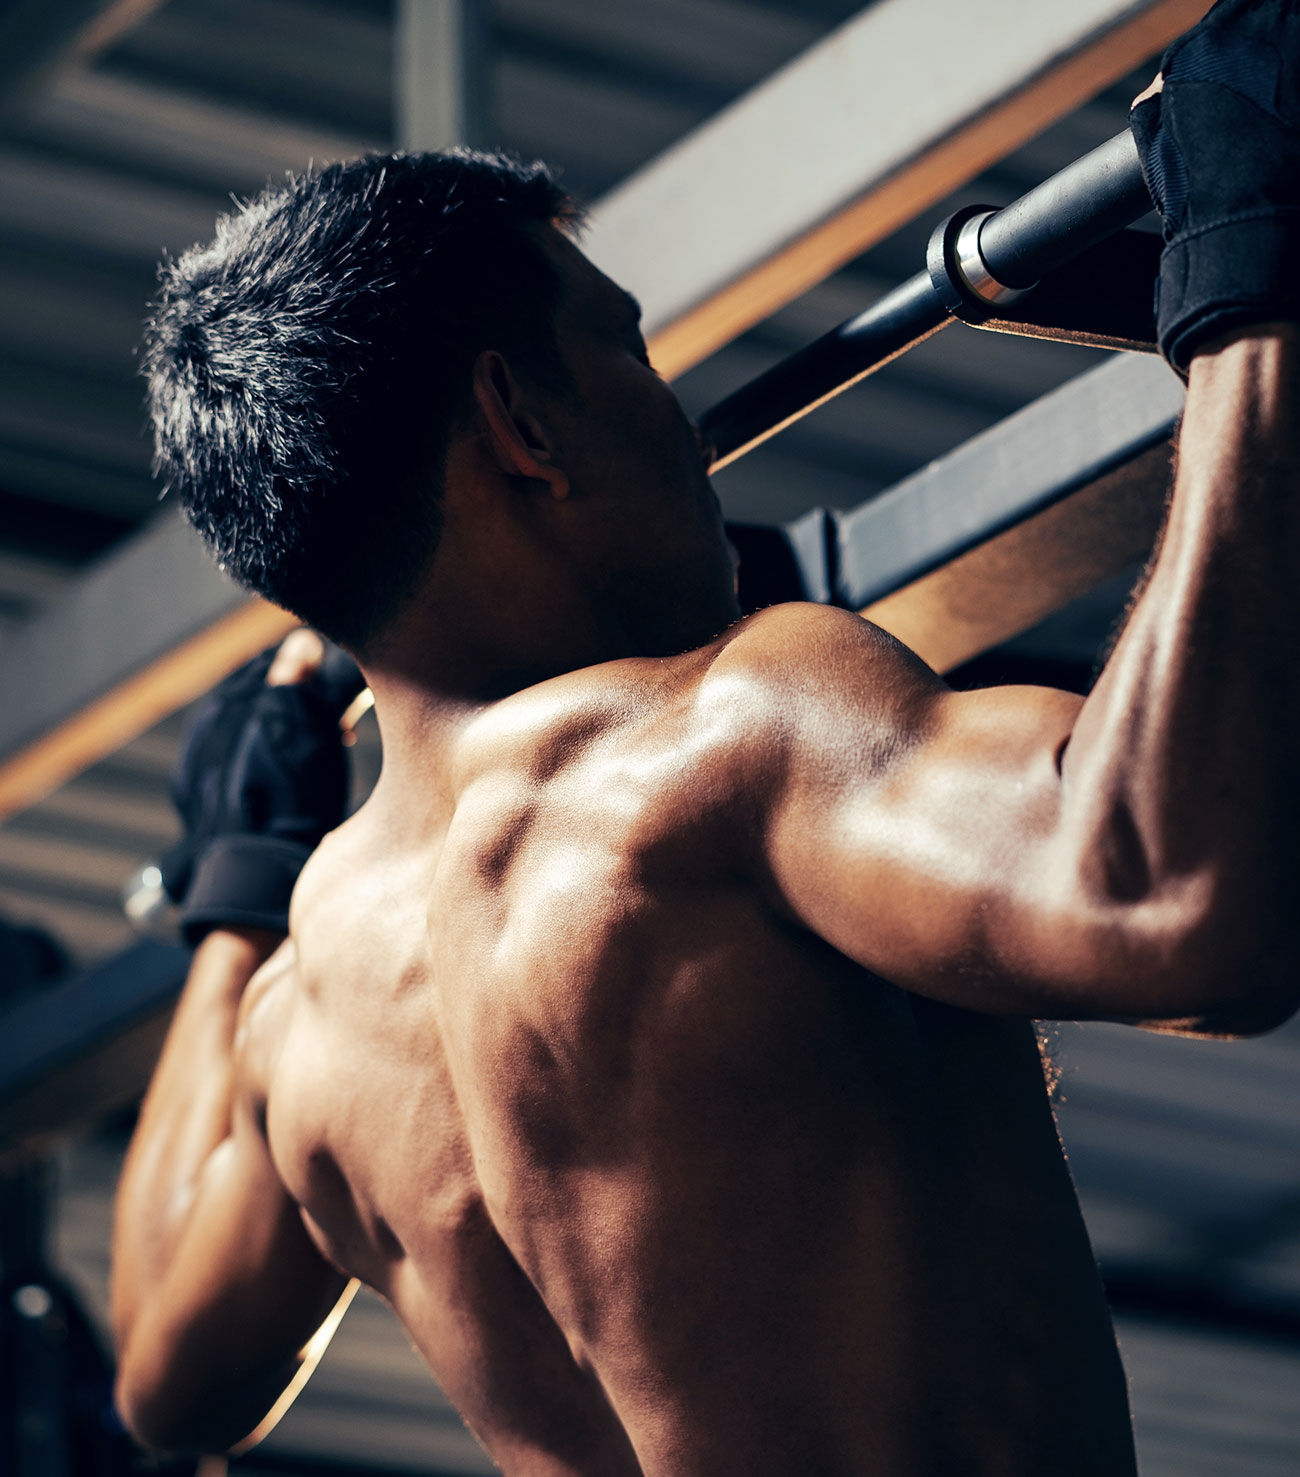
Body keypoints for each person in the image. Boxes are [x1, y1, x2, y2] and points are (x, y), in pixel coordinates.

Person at [110, 2, 1300, 1471]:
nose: (676, 419)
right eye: (626, 351)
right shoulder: (735, 736)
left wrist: (233, 889)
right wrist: (1248, 288)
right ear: (519, 421)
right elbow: (1175, 896)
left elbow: (168, 1379)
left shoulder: (307, 1019)